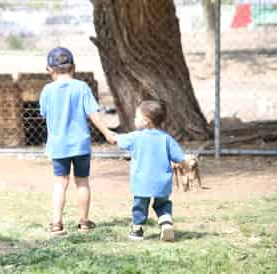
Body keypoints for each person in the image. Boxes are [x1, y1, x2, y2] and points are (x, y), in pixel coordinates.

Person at [40, 46, 115, 235]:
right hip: (81, 144)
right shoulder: (82, 87)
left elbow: (44, 114)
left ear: (49, 69)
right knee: (82, 182)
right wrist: (106, 132)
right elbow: (93, 113)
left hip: (59, 145)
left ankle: (56, 223)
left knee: (60, 183)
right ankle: (83, 222)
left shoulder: (47, 90)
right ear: (73, 67)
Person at [114, 100, 190, 241]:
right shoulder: (167, 139)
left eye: (136, 117)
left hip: (142, 183)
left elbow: (118, 140)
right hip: (162, 182)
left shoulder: (135, 137)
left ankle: (137, 230)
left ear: (146, 121)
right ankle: (166, 223)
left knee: (140, 206)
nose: (134, 120)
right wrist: (187, 169)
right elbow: (180, 158)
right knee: (162, 204)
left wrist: (110, 135)